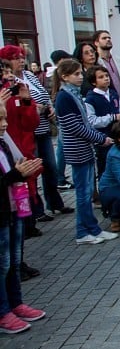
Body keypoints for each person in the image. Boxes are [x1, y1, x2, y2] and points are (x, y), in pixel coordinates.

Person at [2, 45, 72, 220]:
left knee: (50, 166)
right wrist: (33, 106)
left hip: (41, 126)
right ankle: (35, 209)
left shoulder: (29, 76)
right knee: (32, 170)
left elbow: (42, 93)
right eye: (16, 57)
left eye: (21, 57)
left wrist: (48, 107)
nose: (21, 60)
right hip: (25, 132)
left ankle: (54, 202)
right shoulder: (9, 85)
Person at [53, 58, 118, 245]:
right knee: (83, 192)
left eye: (81, 73)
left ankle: (92, 228)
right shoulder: (64, 97)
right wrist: (100, 138)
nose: (80, 77)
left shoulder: (74, 94)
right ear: (65, 77)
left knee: (87, 190)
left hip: (85, 148)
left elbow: (84, 123)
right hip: (77, 149)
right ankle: (84, 231)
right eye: (76, 74)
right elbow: (74, 127)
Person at [0, 107, 45, 335]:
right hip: (2, 210)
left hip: (14, 207)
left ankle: (15, 302)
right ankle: (3, 311)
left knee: (14, 260)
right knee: (3, 263)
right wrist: (15, 176)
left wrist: (25, 172)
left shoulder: (4, 144)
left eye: (4, 117)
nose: (4, 123)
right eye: (0, 119)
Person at [83, 65, 120, 180]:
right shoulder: (91, 99)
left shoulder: (113, 93)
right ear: (94, 82)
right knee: (104, 164)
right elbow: (92, 121)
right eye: (101, 77)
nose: (106, 79)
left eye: (107, 76)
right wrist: (113, 117)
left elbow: (119, 110)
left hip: (116, 135)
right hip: (102, 138)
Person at [94, 30, 120, 108]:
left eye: (109, 38)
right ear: (96, 43)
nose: (108, 40)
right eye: (104, 38)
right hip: (107, 103)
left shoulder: (118, 60)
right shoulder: (96, 62)